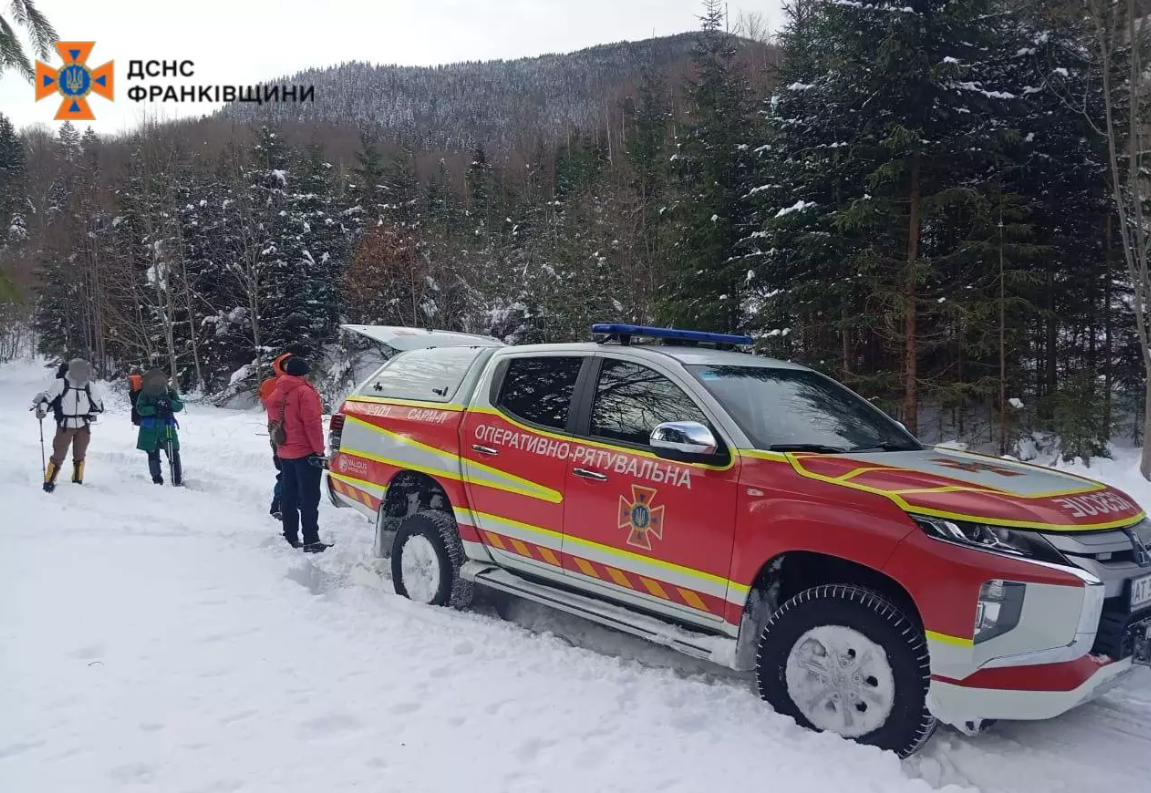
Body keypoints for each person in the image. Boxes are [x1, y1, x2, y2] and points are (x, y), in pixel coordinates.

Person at [267, 357, 330, 552]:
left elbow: (273, 422)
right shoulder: (304, 392)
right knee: (309, 497)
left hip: (284, 451)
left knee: (289, 494)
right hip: (305, 452)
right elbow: (312, 424)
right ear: (303, 373)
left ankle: (290, 535)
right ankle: (311, 540)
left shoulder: (277, 392)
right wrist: (319, 449)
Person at [32, 358, 104, 492]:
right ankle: (49, 482)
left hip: (83, 425)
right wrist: (42, 410)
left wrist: (88, 413)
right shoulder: (61, 383)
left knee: (80, 455)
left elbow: (99, 407)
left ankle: (77, 481)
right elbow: (47, 399)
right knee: (58, 455)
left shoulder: (89, 386)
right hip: (65, 425)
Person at [259, 352, 295, 520]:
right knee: (285, 470)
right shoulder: (271, 384)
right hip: (280, 435)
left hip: (294, 434)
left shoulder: (298, 383)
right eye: (287, 364)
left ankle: (292, 500)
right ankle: (279, 504)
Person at [136, 369, 185, 486]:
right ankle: (157, 480)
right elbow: (140, 409)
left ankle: (176, 479)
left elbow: (179, 405)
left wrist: (170, 403)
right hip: (150, 428)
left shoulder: (169, 391)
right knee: (153, 453)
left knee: (173, 452)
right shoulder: (145, 393)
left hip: (166, 426)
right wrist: (155, 408)